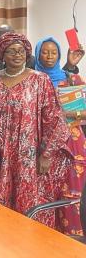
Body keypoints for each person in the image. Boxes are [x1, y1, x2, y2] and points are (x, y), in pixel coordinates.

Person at [0, 32, 72, 228]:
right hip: (1, 155)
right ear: (1, 55)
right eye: (11, 51)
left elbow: (54, 120)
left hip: (30, 158)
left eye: (21, 51)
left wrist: (46, 155)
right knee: (1, 206)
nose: (17, 55)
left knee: (30, 206)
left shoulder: (40, 80)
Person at [34, 37, 85, 235]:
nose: (48, 56)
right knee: (46, 199)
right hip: (42, 148)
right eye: (44, 52)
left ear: (59, 55)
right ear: (37, 54)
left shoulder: (70, 79)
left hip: (72, 147)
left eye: (53, 52)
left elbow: (82, 115)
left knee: (72, 198)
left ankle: (72, 245)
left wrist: (63, 116)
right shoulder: (32, 80)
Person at [0, 24, 78, 81]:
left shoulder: (31, 60)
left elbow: (53, 78)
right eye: (3, 41)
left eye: (12, 39)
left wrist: (70, 66)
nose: (17, 55)